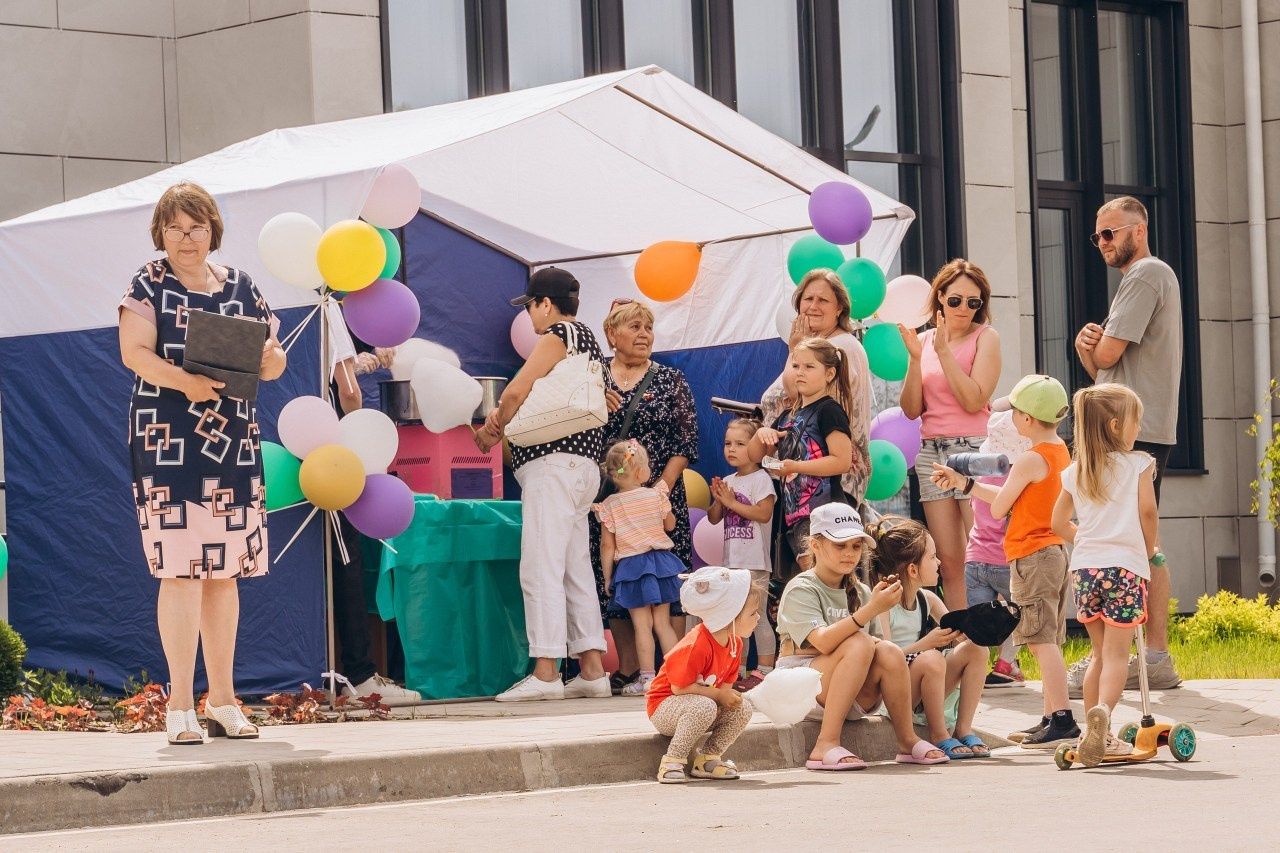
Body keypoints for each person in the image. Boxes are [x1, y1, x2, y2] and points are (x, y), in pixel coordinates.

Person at [118, 182, 286, 743]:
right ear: (160, 233)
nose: (186, 239)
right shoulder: (149, 281)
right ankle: (179, 706)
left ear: (213, 229)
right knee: (180, 573)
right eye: (175, 228)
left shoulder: (241, 286)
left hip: (232, 441)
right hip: (169, 440)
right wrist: (186, 383)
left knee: (224, 576)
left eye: (196, 227)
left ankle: (224, 701)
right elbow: (133, 353)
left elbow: (272, 362)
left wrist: (271, 358)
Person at [475, 268, 610, 702]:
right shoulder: (589, 342)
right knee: (575, 570)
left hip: (553, 466)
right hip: (582, 466)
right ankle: (591, 668)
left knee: (541, 567)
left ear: (545, 304)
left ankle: (547, 671)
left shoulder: (557, 335)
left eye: (531, 305)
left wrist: (492, 430)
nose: (531, 316)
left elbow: (516, 390)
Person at [931, 374, 1076, 749]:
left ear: (1026, 419)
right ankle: (1049, 716)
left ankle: (1062, 719)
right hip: (1055, 551)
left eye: (1013, 412)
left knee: (1041, 641)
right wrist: (964, 484)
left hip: (1033, 553)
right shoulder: (1059, 450)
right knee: (1050, 639)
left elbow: (999, 507)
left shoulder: (1029, 459)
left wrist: (972, 486)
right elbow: (1013, 497)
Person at [1074, 195, 1182, 692]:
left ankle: (1151, 656)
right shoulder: (1141, 279)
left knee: (1142, 540)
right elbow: (1104, 374)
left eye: (1110, 233)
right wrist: (1085, 351)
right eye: (1097, 235)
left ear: (1137, 230)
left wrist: (1095, 347)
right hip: (1123, 427)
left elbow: (1112, 351)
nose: (1101, 243)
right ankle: (1122, 658)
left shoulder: (1146, 273)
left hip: (1135, 432)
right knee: (1128, 539)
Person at [775, 503, 949, 769]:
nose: (849, 554)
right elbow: (821, 641)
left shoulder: (862, 592)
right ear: (815, 545)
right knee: (858, 642)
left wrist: (870, 614)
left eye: (856, 546)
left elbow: (877, 647)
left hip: (850, 691)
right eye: (840, 545)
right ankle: (825, 744)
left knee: (888, 650)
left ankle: (907, 741)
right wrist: (870, 611)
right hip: (800, 690)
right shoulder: (802, 587)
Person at [590, 299, 699, 693]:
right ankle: (630, 668)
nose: (643, 335)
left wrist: (661, 490)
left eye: (648, 328)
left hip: (659, 498)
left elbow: (685, 442)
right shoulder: (592, 377)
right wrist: (590, 401)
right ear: (611, 335)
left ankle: (672, 670)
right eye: (634, 327)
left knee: (665, 580)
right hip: (609, 498)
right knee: (622, 580)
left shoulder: (671, 379)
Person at [1052, 384, 1159, 766]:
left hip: (1085, 569)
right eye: (1135, 422)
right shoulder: (1139, 464)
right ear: (1116, 425)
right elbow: (1147, 512)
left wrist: (1089, 542)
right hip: (1125, 569)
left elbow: (1057, 522)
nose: (1138, 429)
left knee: (1098, 654)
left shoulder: (1074, 470)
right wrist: (1148, 551)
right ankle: (1105, 718)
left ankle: (1090, 731)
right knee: (1118, 657)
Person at [323, 306, 420, 705]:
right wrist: (362, 438)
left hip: (291, 449)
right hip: (331, 458)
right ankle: (360, 676)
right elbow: (347, 391)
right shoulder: (326, 306)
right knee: (345, 561)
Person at [899, 259, 1002, 609]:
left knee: (986, 554)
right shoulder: (923, 340)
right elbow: (912, 410)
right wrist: (916, 359)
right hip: (932, 452)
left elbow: (974, 400)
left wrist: (944, 352)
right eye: (956, 300)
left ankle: (1001, 646)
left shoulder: (986, 337)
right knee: (950, 559)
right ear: (940, 297)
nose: (964, 309)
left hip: (974, 452)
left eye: (974, 303)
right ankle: (965, 642)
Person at [868, 517, 990, 759]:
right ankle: (939, 734)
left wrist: (974, 629)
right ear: (913, 569)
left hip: (924, 686)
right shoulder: (883, 603)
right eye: (933, 557)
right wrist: (927, 644)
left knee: (976, 649)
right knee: (932, 658)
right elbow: (885, 657)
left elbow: (960, 639)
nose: (939, 562)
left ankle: (963, 728)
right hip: (895, 695)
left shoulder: (928, 599)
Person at [761, 269, 872, 504]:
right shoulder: (816, 345)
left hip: (826, 485)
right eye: (808, 299)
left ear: (840, 308)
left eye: (823, 300)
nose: (813, 306)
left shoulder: (840, 346)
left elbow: (798, 393)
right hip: (799, 484)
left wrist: (795, 349)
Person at [750, 337, 854, 574]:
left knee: (823, 581)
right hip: (794, 517)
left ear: (829, 374)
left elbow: (842, 461)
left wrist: (795, 466)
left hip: (824, 513)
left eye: (809, 367)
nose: (800, 372)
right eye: (796, 366)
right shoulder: (788, 415)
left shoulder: (829, 410)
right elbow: (756, 455)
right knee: (811, 582)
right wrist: (761, 433)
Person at [647, 567, 761, 783]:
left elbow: (725, 688)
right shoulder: (696, 645)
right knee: (705, 705)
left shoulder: (735, 644)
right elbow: (678, 689)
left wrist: (728, 697)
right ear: (730, 615)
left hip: (699, 707)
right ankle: (673, 759)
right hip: (665, 707)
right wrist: (718, 697)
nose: (758, 618)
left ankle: (708, 758)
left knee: (742, 708)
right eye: (753, 613)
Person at [594, 440, 685, 696]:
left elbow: (606, 546)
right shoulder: (656, 495)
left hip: (632, 568)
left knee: (641, 626)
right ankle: (678, 674)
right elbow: (670, 525)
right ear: (639, 472)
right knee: (663, 624)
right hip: (660, 564)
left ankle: (647, 679)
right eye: (646, 465)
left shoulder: (609, 505)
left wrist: (608, 579)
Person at [707, 417, 777, 690]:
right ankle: (737, 670)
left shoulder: (762, 479)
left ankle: (764, 670)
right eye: (727, 444)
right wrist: (719, 499)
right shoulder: (728, 480)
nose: (731, 449)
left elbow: (763, 513)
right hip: (732, 563)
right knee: (737, 620)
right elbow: (714, 519)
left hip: (755, 563)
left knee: (756, 616)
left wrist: (732, 502)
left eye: (740, 443)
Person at [965, 410, 1032, 688]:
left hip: (975, 559)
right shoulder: (1018, 482)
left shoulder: (980, 480)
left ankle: (973, 669)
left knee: (981, 624)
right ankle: (1005, 664)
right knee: (1022, 611)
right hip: (1006, 560)